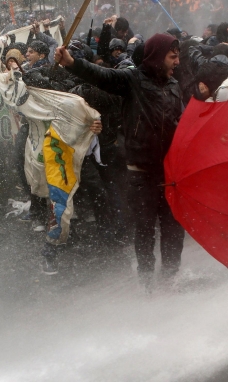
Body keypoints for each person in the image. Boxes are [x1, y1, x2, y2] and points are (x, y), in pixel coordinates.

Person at [55, 33, 184, 287]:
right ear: (158, 58)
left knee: (173, 230)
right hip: (142, 173)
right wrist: (71, 63)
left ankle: (171, 278)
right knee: (145, 231)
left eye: (177, 56)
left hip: (171, 174)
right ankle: (147, 283)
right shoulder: (133, 80)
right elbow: (102, 76)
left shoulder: (174, 86)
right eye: (172, 56)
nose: (177, 62)